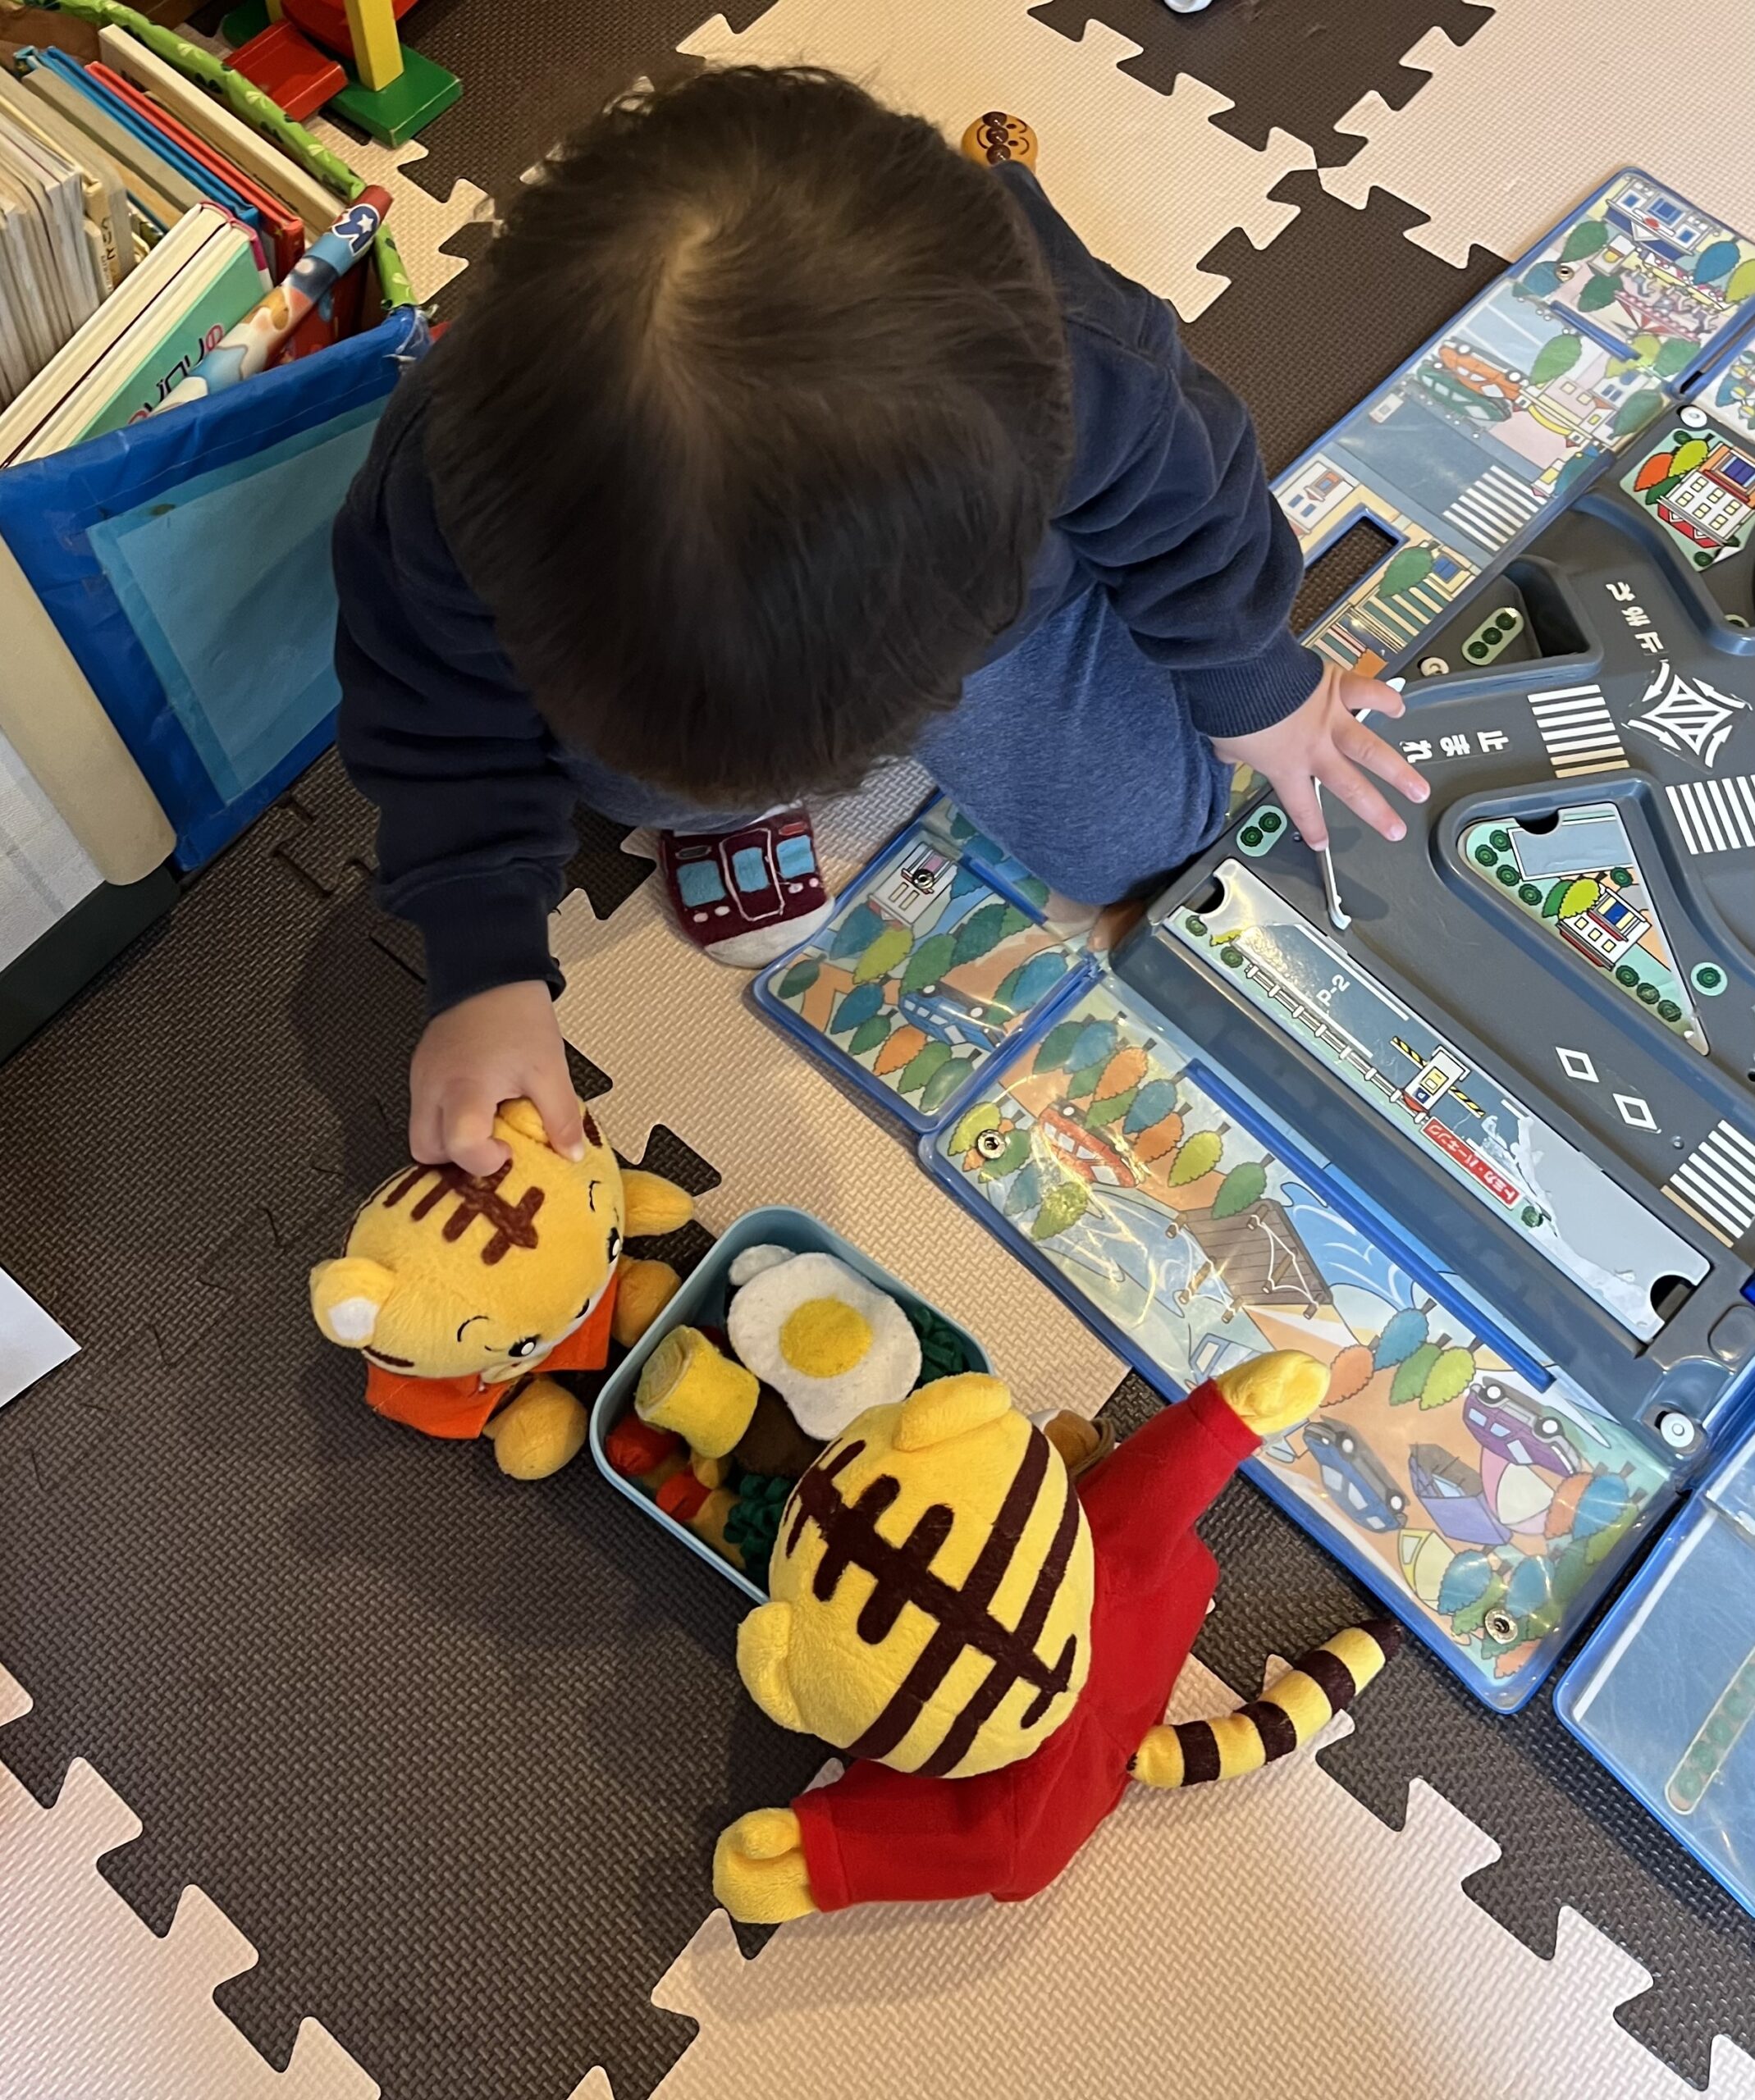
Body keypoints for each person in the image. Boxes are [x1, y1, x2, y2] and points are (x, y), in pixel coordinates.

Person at [334, 66, 1425, 1178]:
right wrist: (485, 967)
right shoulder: (453, 488)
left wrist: (1258, 686)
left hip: (1008, 614)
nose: (841, 777)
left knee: (1152, 844)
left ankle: (1010, 196)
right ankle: (698, 754)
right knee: (631, 782)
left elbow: (1189, 503)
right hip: (802, 624)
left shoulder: (1069, 360)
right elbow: (438, 726)